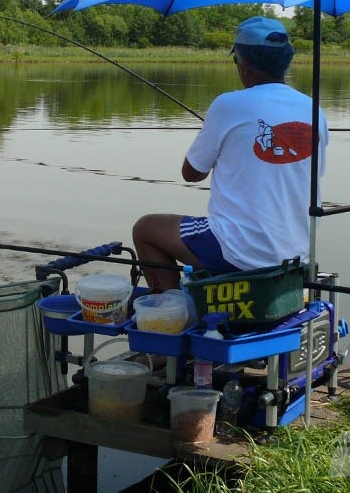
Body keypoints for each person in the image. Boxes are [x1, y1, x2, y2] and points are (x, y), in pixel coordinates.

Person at [132, 16, 328, 292]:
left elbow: (191, 173)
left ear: (244, 63)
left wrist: (215, 132)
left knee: (146, 229)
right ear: (286, 62)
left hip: (241, 251)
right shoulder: (314, 110)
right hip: (296, 253)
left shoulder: (229, 105)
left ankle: (170, 307)